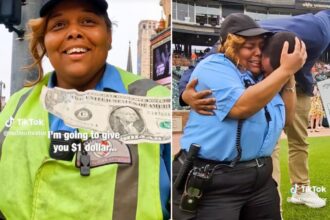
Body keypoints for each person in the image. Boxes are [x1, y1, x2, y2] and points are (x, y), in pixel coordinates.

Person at [0, 0, 170, 219]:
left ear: (109, 36)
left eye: (88, 21)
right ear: (44, 41)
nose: (74, 33)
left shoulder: (157, 101)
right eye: (58, 25)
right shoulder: (15, 106)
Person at [179, 10, 330, 209]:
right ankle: (274, 196)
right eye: (252, 47)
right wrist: (184, 91)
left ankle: (298, 190)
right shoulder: (312, 30)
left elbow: (286, 119)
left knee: (294, 141)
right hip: (216, 174)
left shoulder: (270, 65)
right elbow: (217, 55)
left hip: (295, 80)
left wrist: (287, 77)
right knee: (268, 144)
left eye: (260, 47)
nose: (257, 52)